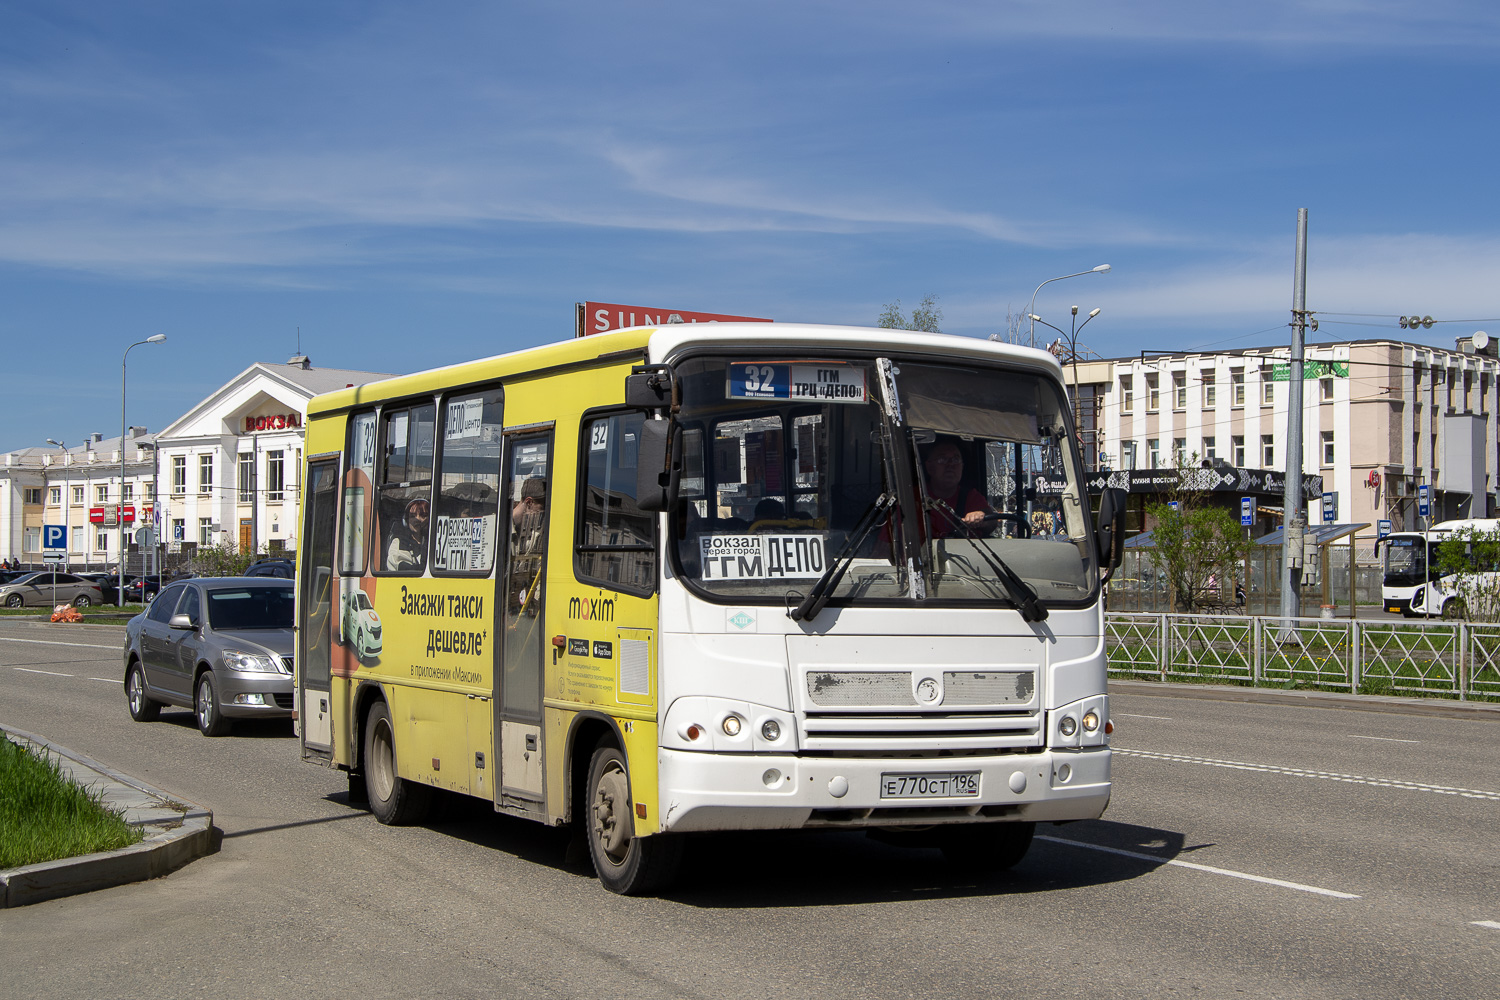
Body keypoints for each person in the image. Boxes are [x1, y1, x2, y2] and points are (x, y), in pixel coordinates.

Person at [385, 497, 430, 571]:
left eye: (423, 515)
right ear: (406, 520)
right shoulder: (399, 542)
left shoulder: (432, 542)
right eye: (413, 516)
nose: (417, 519)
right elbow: (404, 569)